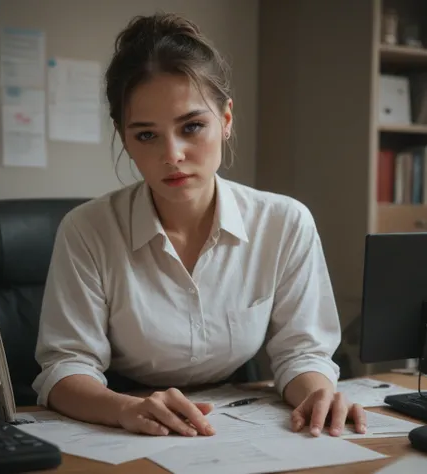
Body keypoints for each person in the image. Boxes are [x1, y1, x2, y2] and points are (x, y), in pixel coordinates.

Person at [33, 12, 366, 439]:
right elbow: (65, 367)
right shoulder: (87, 230)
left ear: (226, 120)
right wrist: (126, 409)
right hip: (123, 421)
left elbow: (302, 353)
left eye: (192, 127)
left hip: (240, 423)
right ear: (123, 137)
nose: (172, 155)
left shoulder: (284, 222)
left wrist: (317, 394)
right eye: (147, 135)